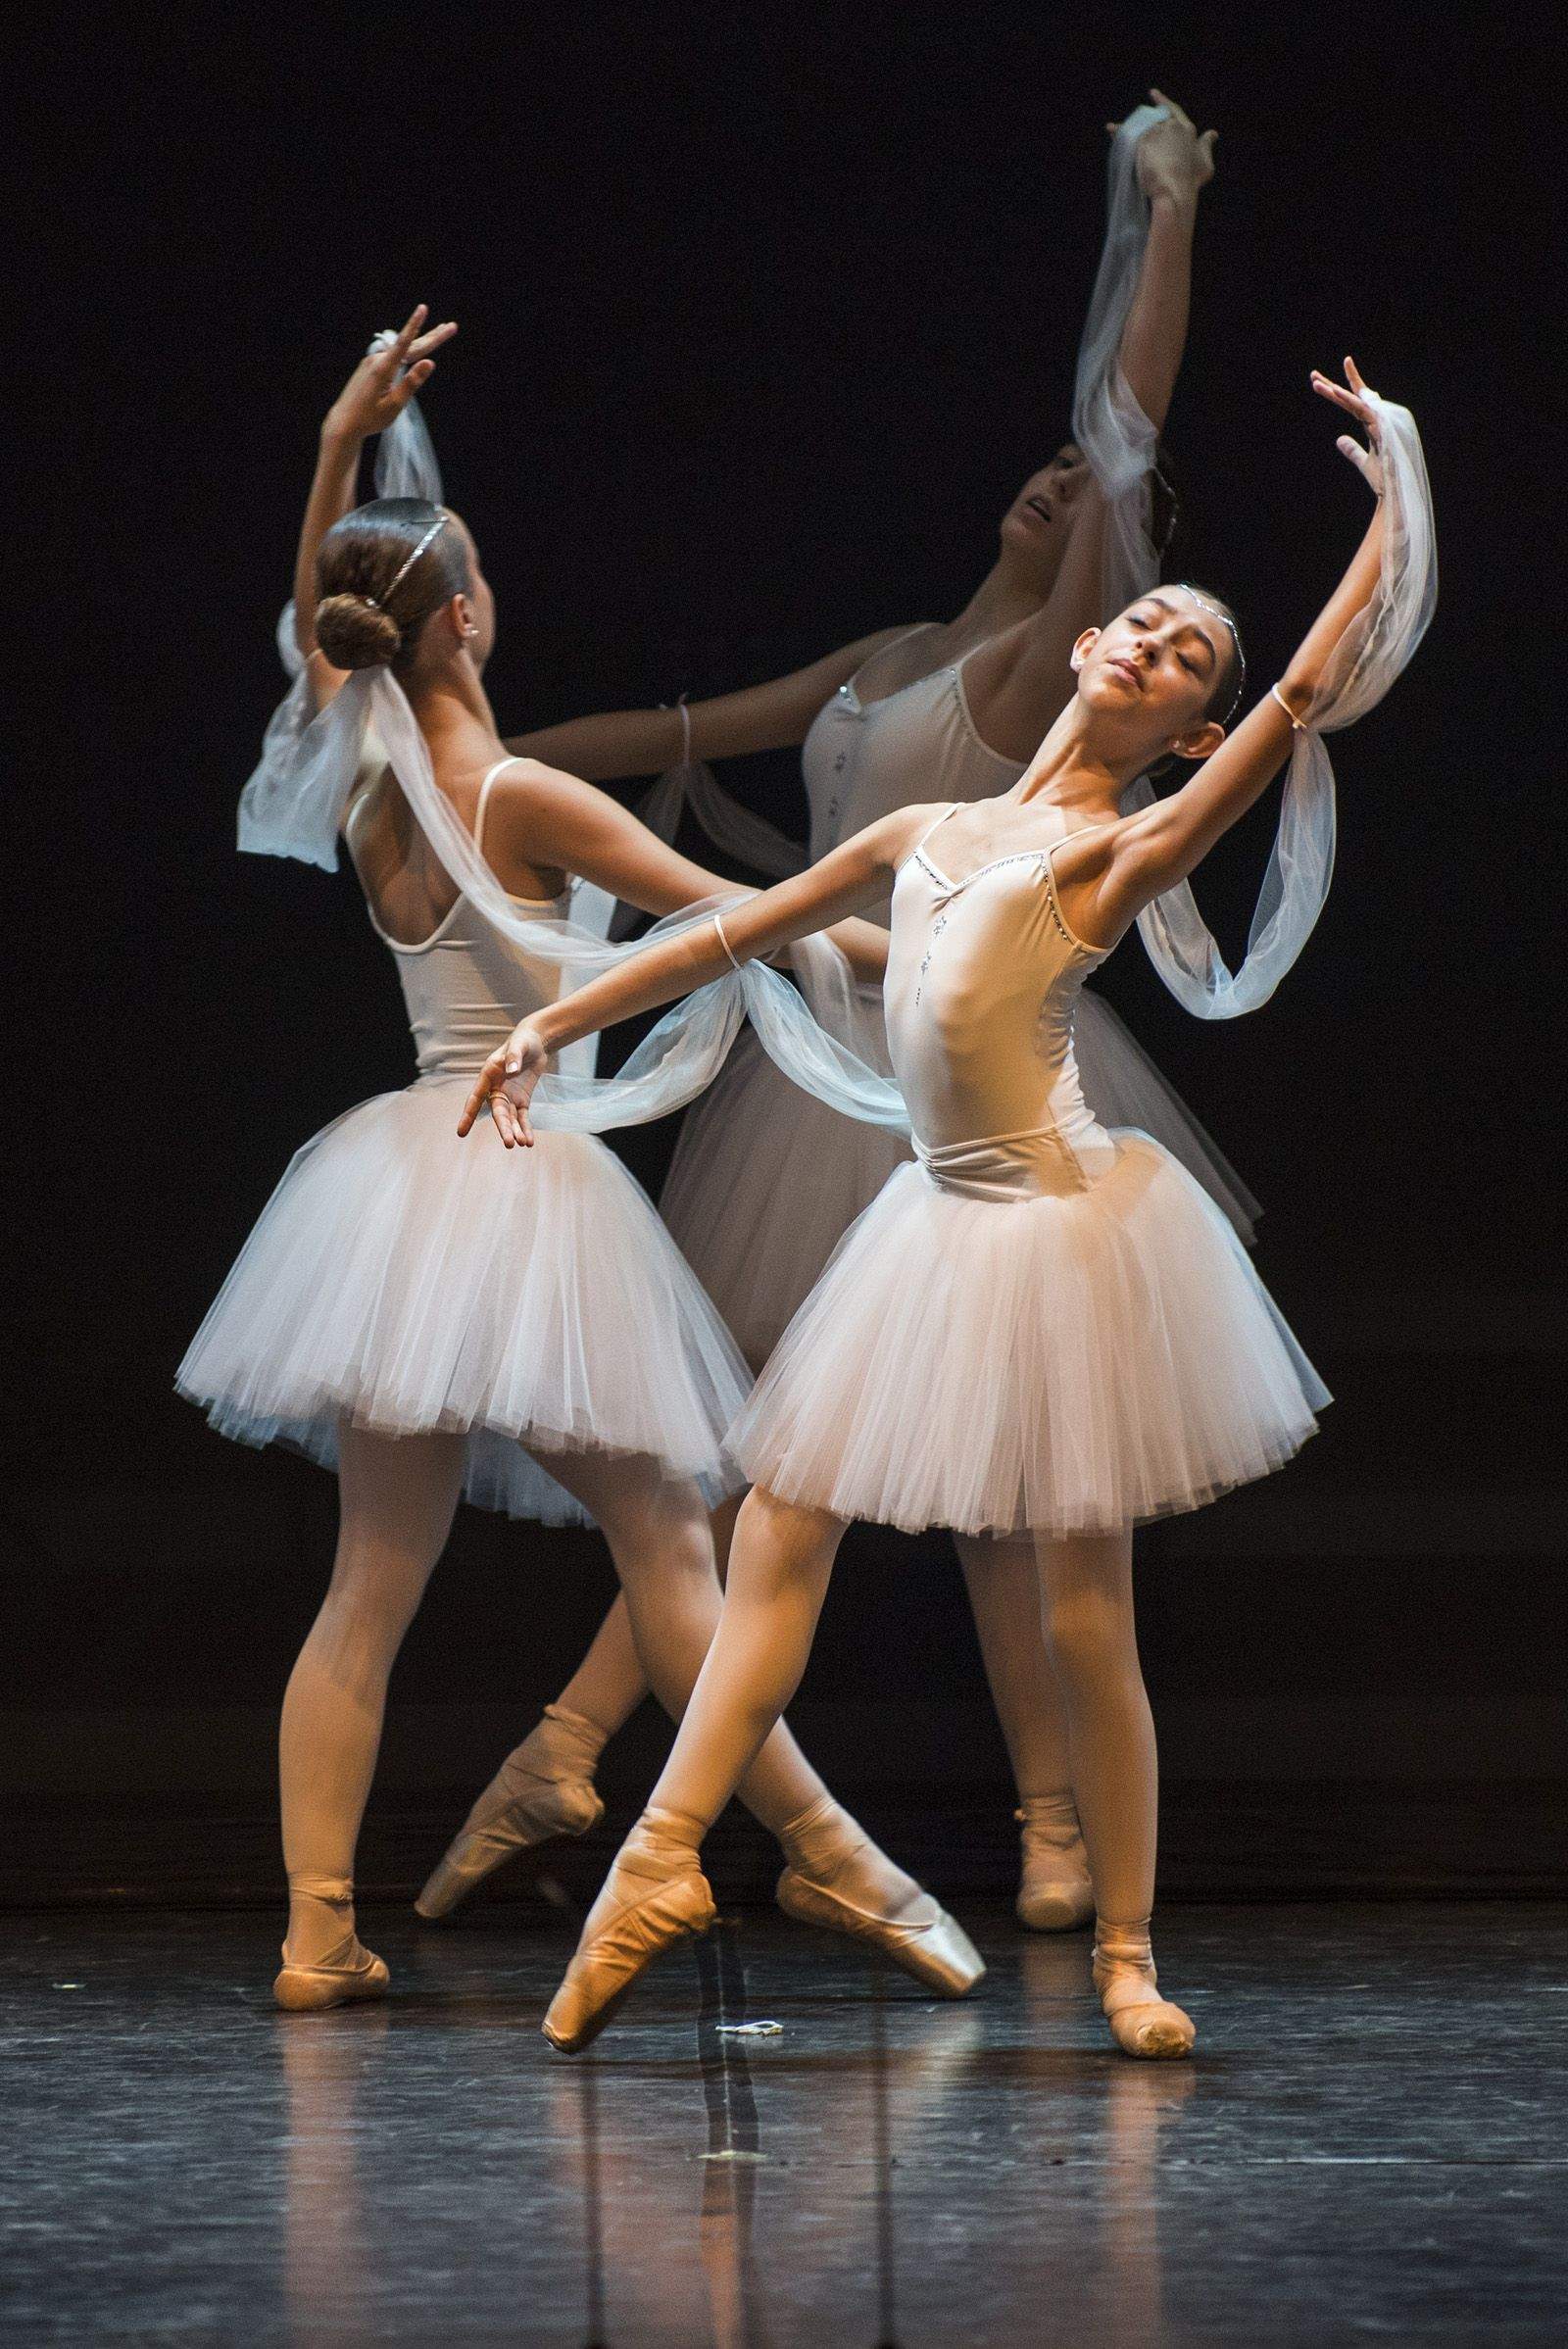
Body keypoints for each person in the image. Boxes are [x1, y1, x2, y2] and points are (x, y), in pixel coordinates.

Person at [459, 360, 1435, 2056]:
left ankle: (1127, 1950)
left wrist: (1399, 496)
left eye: (1183, 660)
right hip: (930, 1223)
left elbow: (1299, 691)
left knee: (1084, 1615)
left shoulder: (1115, 852)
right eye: (1146, 627)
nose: (1153, 647)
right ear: (1086, 641)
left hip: (1059, 1232)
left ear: (1187, 732)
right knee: (778, 1536)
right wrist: (554, 1020)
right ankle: (658, 1861)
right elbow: (732, 927)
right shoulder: (927, 827)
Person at [422, 93, 1239, 1939]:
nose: (1058, 489)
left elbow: (1127, 425)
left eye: (1086, 500)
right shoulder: (892, 658)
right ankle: (581, 1754)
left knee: (1004, 1468)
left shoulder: (1037, 669)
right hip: (824, 1043)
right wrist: (469, 762)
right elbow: (676, 740)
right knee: (767, 1452)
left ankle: (1044, 1825)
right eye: (1040, 474)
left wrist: (1166, 212)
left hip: (957, 1052)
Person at [177, 313, 981, 2012]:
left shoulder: (368, 771)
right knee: (672, 1539)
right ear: (463, 616)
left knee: (370, 1582)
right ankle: (834, 1853)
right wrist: (923, 943)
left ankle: (316, 1930)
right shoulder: (519, 791)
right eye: (475, 575)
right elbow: (741, 917)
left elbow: (316, 625)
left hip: (400, 1183)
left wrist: (334, 442)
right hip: (519, 1180)